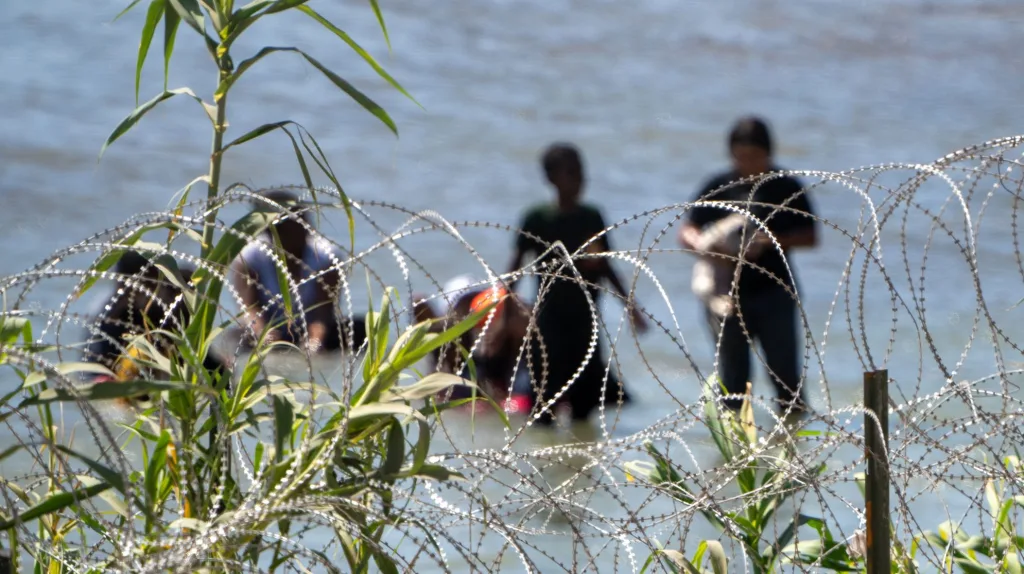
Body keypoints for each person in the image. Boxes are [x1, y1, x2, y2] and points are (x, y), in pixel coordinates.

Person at [678, 116, 818, 413]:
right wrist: (711, 250)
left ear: (768, 153)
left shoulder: (785, 188)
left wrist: (770, 241)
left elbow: (811, 236)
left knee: (787, 383)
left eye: (755, 156)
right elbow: (687, 229)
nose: (748, 163)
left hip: (774, 292)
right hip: (727, 297)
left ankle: (792, 435)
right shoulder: (721, 186)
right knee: (732, 386)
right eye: (741, 156)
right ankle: (737, 441)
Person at [508, 142, 648, 426]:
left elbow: (607, 266)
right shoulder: (538, 219)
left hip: (586, 321)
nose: (579, 179)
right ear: (551, 178)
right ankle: (543, 451)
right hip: (549, 322)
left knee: (585, 405)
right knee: (543, 404)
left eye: (581, 172)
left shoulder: (591, 217)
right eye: (570, 172)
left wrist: (630, 306)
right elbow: (516, 268)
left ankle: (583, 451)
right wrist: (505, 312)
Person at [82, 249, 230, 403]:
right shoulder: (111, 315)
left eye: (156, 281)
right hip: (121, 386)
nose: (154, 288)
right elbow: (94, 370)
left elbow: (204, 360)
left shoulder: (165, 306)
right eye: (150, 281)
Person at [230, 190, 366, 355]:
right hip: (269, 330)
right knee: (235, 338)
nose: (304, 226)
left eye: (303, 219)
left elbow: (323, 314)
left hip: (311, 329)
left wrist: (315, 343)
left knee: (360, 329)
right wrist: (265, 335)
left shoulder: (326, 257)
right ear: (273, 232)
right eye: (293, 224)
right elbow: (249, 309)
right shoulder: (250, 258)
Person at [413, 275, 534, 414]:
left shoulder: (500, 350)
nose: (472, 314)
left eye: (476, 305)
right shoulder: (445, 362)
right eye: (464, 307)